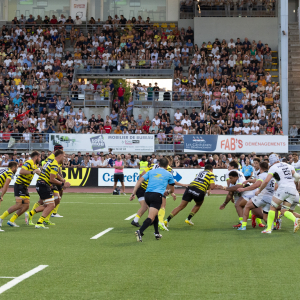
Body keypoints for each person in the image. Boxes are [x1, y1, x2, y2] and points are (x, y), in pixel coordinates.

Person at [130, 158, 175, 242]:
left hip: (147, 195)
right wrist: (168, 192)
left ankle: (157, 233)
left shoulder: (151, 171)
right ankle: (140, 231)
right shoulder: (169, 174)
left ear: (159, 163)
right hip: (156, 196)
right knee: (151, 217)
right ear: (167, 164)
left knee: (155, 214)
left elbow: (140, 180)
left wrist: (133, 193)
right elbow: (172, 190)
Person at [255, 153, 300, 234]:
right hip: (293, 189)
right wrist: (294, 185)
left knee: (272, 207)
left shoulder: (273, 167)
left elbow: (266, 181)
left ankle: (268, 229)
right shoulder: (288, 164)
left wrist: (259, 190)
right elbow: (297, 177)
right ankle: (295, 220)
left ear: (271, 161)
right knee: (284, 210)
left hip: (283, 188)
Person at [27, 149, 71, 229]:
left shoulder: (50, 162)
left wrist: (61, 179)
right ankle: (39, 222)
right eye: (64, 156)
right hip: (43, 184)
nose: (64, 158)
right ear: (60, 156)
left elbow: (51, 173)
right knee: (51, 205)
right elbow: (52, 179)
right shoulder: (55, 164)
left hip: (41, 184)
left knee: (48, 204)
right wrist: (63, 184)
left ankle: (31, 214)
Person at [0, 152, 41, 228]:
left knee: (26, 206)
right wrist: (33, 171)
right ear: (36, 157)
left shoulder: (35, 165)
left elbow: (37, 173)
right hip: (20, 185)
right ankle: (1, 218)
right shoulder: (29, 162)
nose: (40, 159)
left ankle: (12, 220)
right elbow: (21, 171)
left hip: (24, 187)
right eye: (40, 157)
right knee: (19, 205)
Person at [236, 161, 276, 231]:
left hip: (263, 196)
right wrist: (249, 181)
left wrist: (243, 189)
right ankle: (273, 226)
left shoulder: (262, 175)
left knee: (247, 206)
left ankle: (243, 226)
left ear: (260, 168)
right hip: (271, 197)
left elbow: (257, 185)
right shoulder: (271, 175)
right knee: (265, 217)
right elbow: (258, 180)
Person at [0, 162, 19, 231]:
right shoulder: (10, 173)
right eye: (16, 167)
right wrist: (2, 195)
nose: (17, 169)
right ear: (13, 167)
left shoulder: (4, 170)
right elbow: (6, 184)